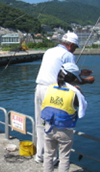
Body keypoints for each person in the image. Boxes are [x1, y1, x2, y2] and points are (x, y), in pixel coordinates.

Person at [34, 32, 94, 164]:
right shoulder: (68, 54)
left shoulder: (49, 51)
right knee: (54, 125)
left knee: (40, 123)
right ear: (71, 45)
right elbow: (70, 80)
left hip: (39, 88)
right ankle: (52, 159)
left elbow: (61, 72)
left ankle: (39, 155)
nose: (75, 50)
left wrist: (79, 71)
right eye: (75, 47)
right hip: (52, 91)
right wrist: (87, 80)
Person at [41, 63, 87, 172]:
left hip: (48, 128)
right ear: (74, 78)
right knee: (64, 157)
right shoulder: (75, 92)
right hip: (65, 130)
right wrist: (80, 91)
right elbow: (81, 112)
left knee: (48, 154)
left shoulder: (50, 87)